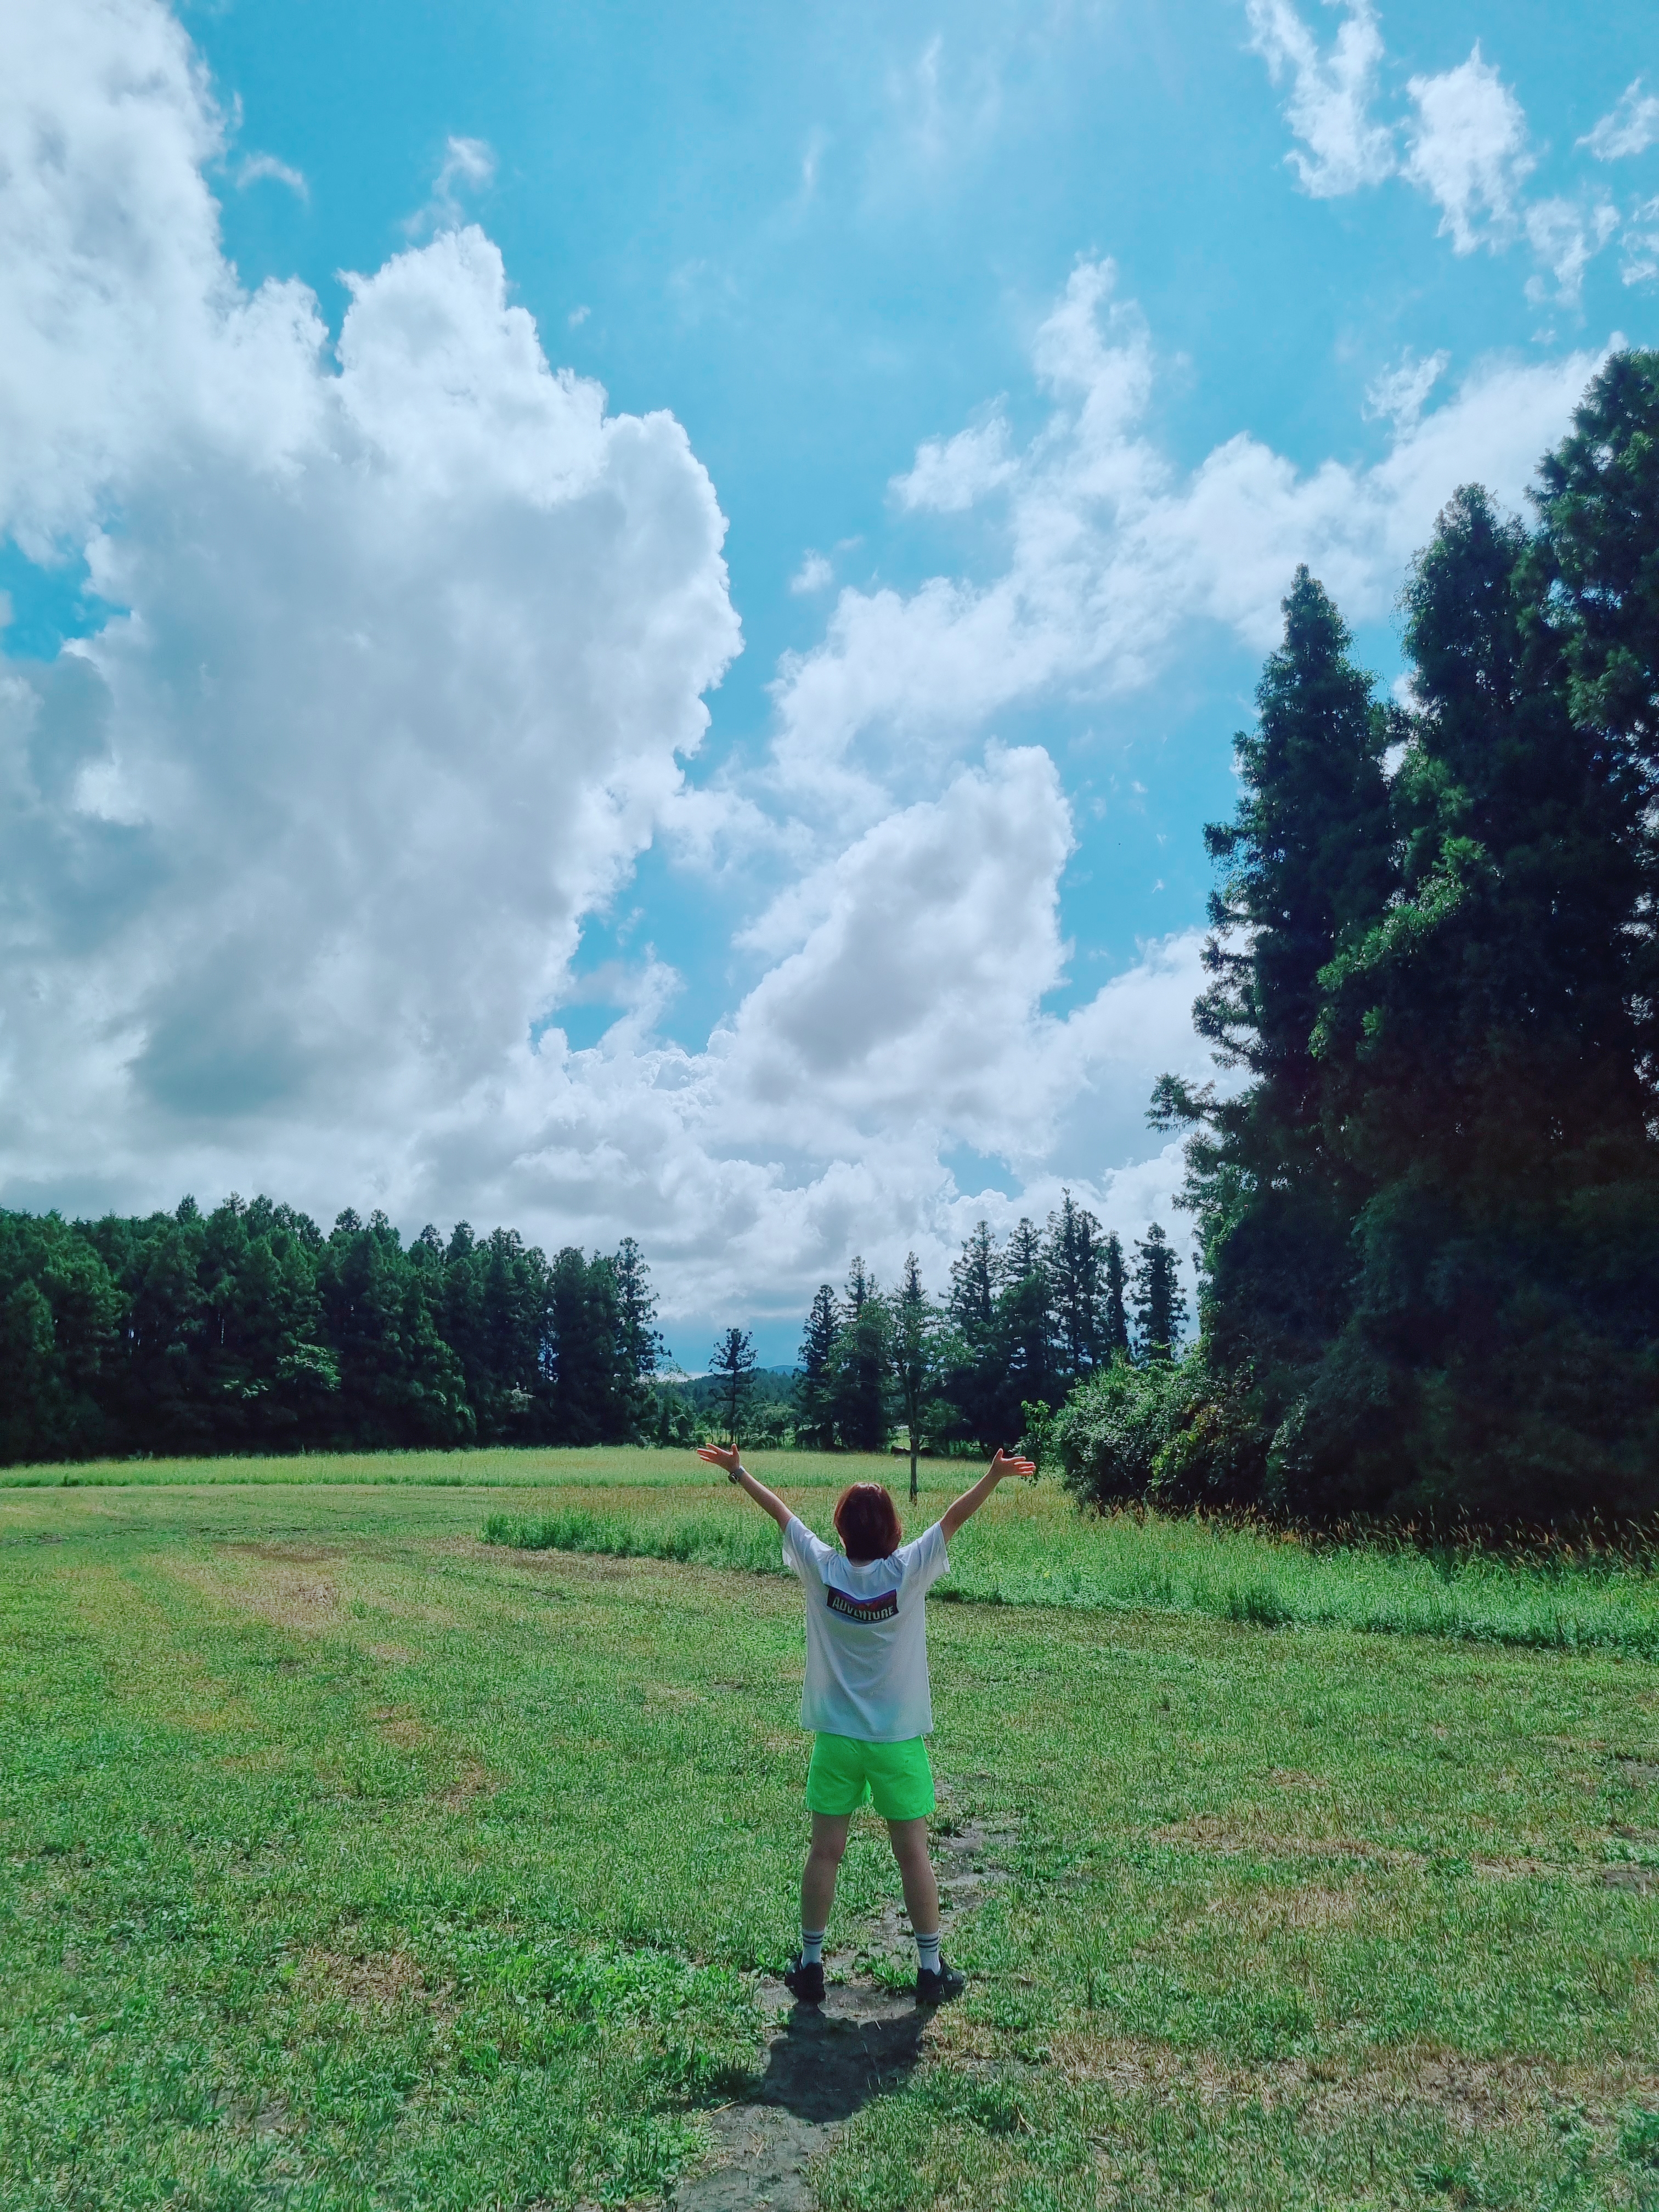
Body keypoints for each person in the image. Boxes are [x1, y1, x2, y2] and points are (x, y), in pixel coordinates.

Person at [695, 1441, 1035, 2007]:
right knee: (914, 1855)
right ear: (896, 1532)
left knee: (824, 1852)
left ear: (842, 1530)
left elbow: (780, 1512)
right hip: (897, 1742)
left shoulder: (823, 1569)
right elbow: (953, 1518)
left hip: (837, 1739)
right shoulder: (906, 1572)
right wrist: (993, 1476)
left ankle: (809, 1967)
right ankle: (930, 1969)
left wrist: (739, 1471)